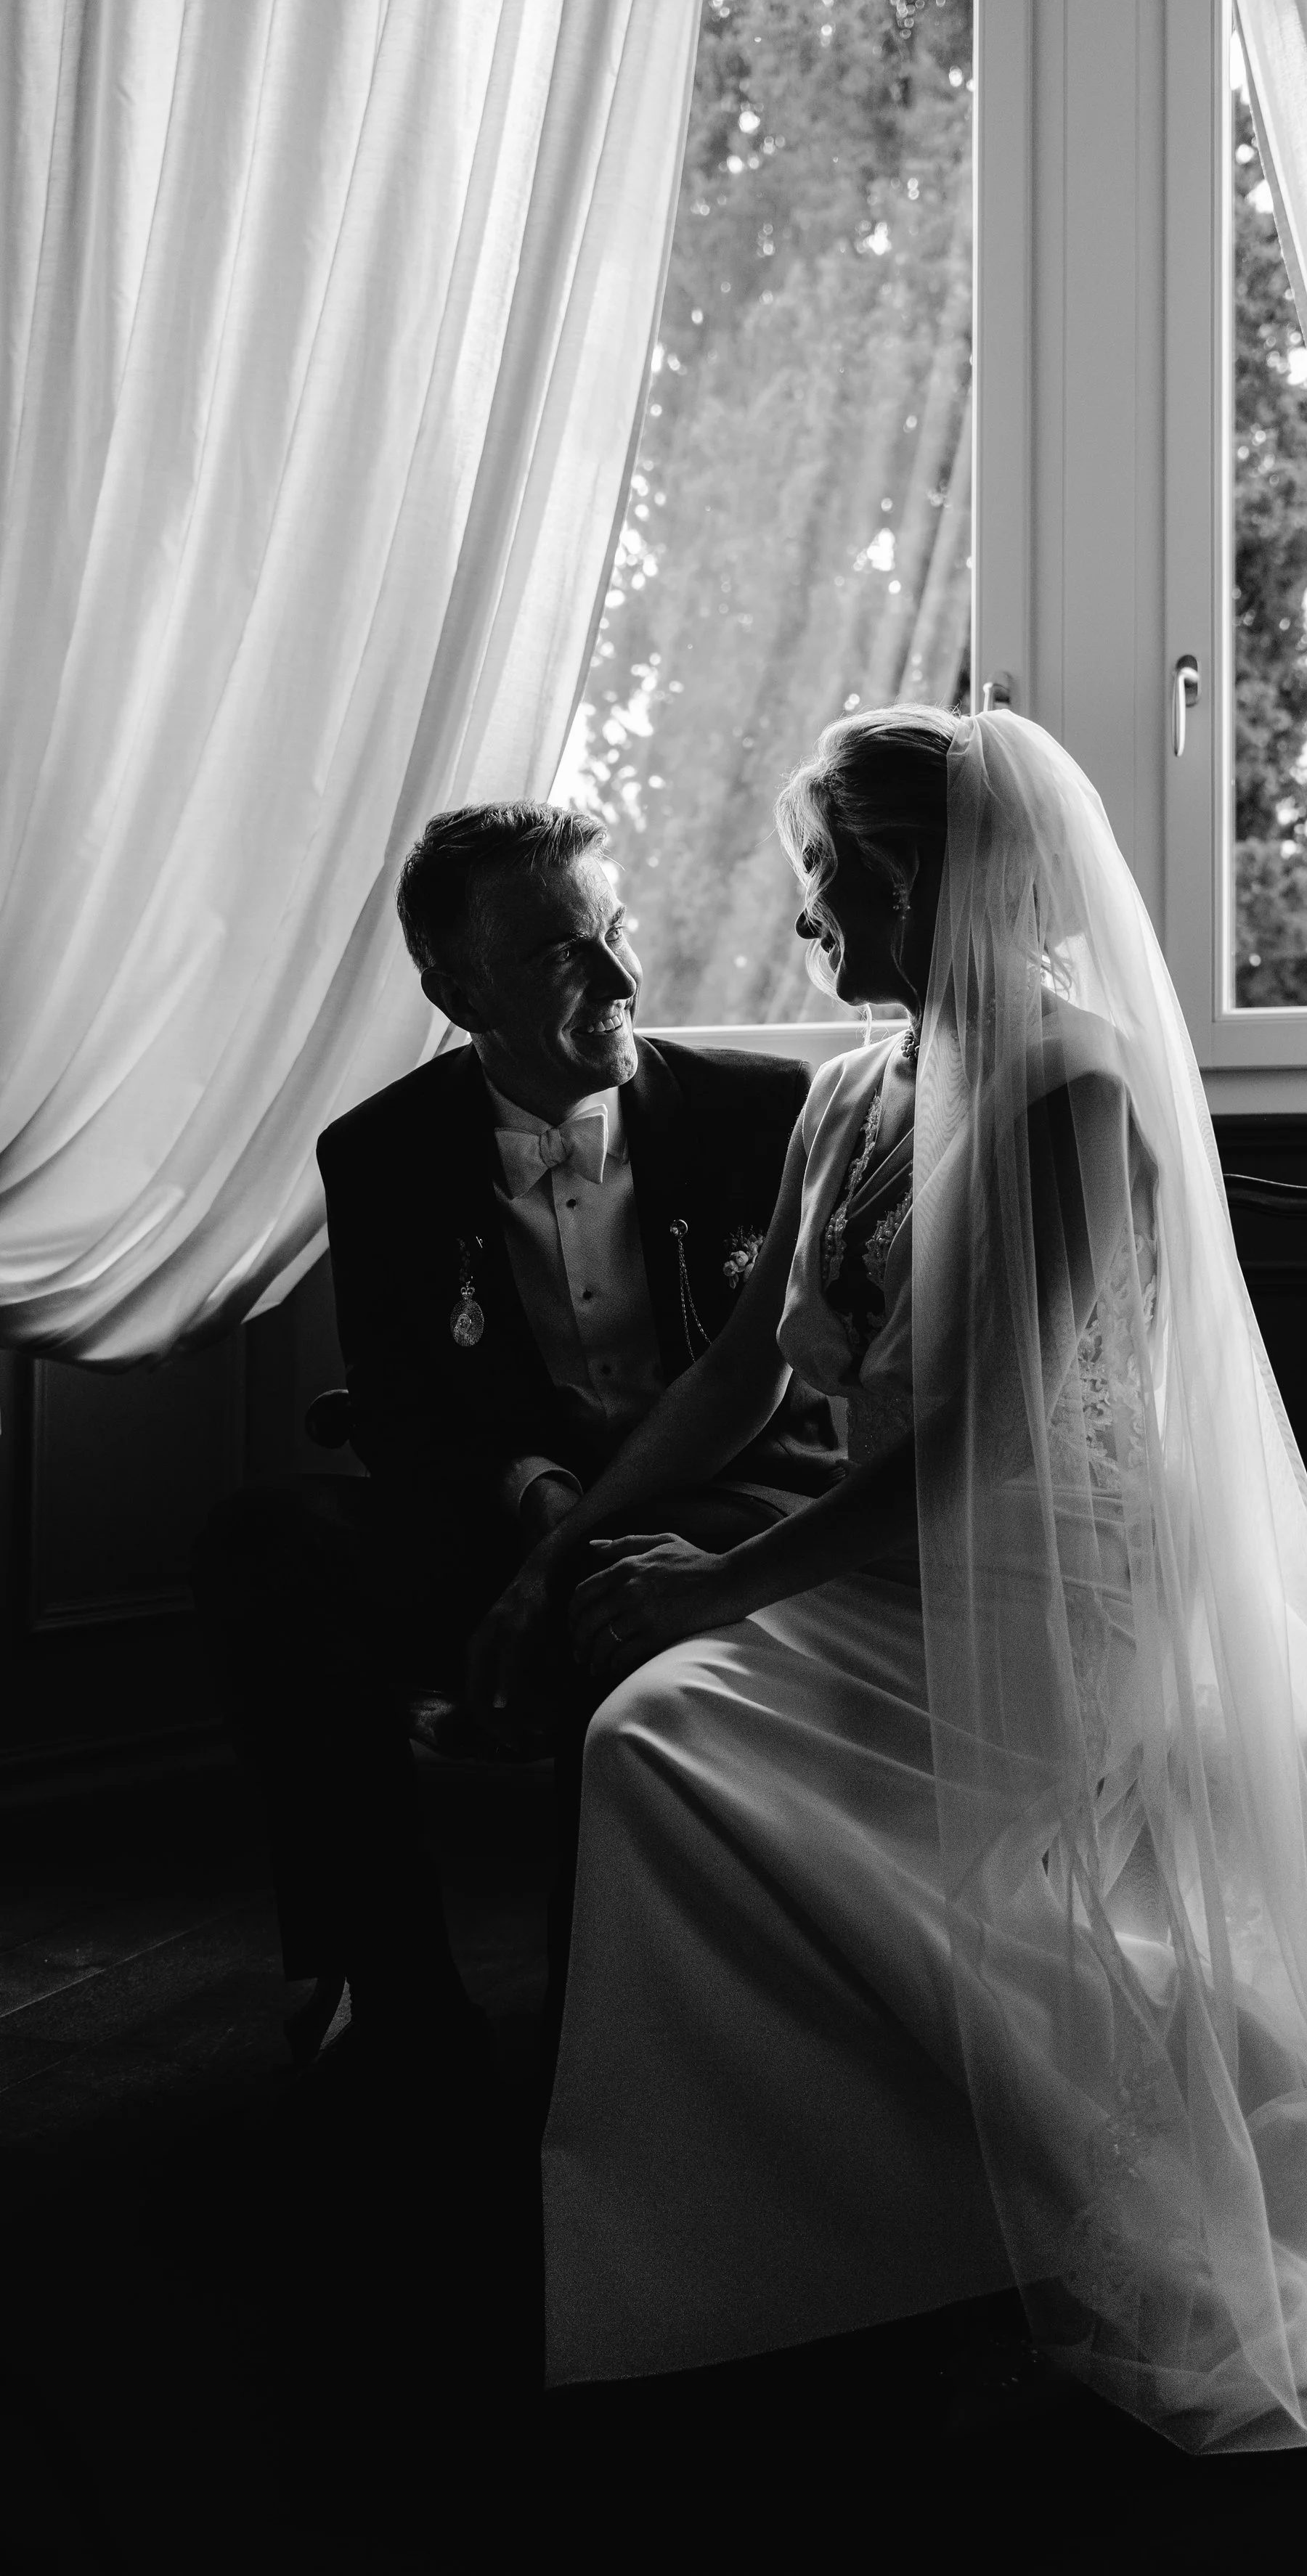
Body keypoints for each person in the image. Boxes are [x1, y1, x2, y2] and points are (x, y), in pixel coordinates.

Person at [512, 706, 1307, 2451]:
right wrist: (575, 1543)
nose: (810, 921)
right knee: (645, 1725)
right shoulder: (844, 1095)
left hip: (1043, 1609)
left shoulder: (1076, 1094)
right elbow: (740, 1374)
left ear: (917, 882)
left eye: (829, 878)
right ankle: (814, 2210)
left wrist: (708, 1591)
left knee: (657, 1739)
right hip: (887, 1581)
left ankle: (870, 2221)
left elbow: (978, 1448)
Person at [192, 802, 839, 2085]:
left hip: (722, 1502)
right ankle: (392, 1987)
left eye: (617, 929)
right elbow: (396, 1403)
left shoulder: (766, 1111)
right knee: (266, 1544)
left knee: (616, 1602)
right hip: (499, 1518)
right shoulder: (377, 1153)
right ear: (454, 985)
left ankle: (603, 2051)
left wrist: (585, 1544)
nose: (620, 977)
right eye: (560, 953)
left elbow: (791, 1384)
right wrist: (536, 1498)